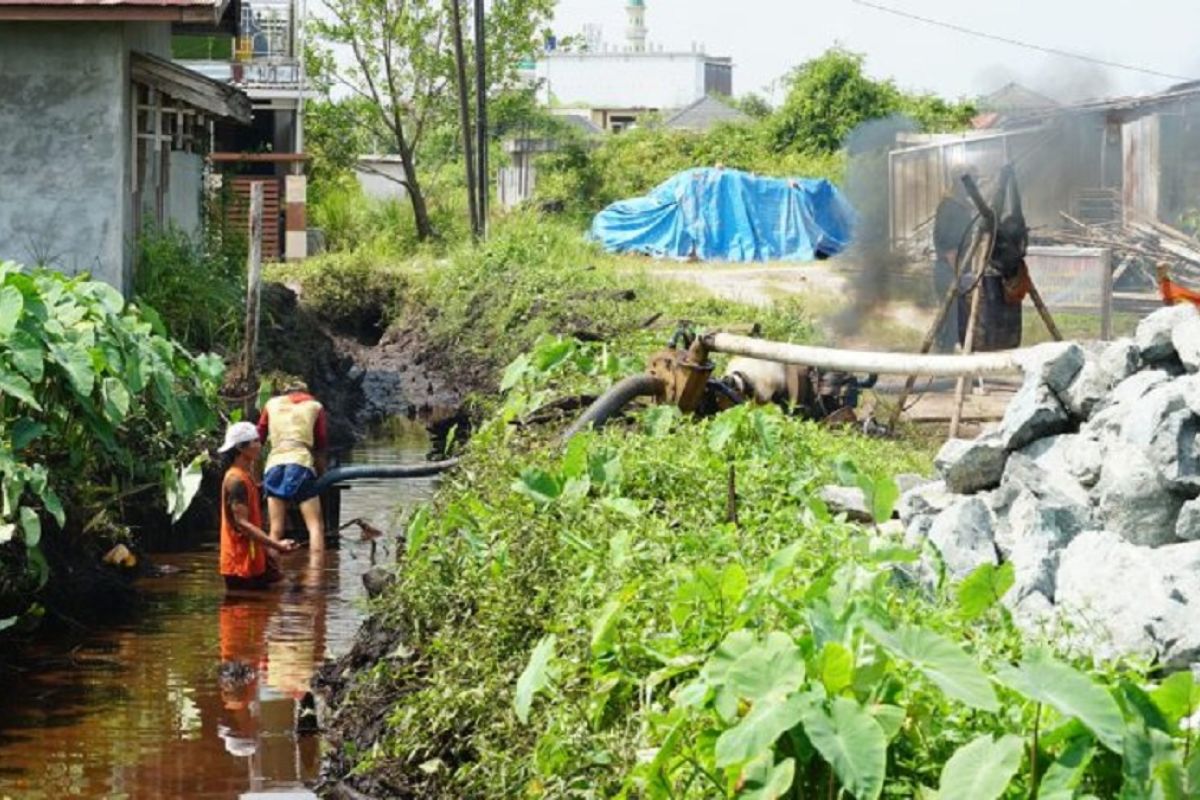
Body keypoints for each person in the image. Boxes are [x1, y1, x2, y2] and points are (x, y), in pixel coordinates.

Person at [219, 422, 299, 591]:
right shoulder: (236, 480)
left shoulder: (245, 476)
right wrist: (276, 545)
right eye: (254, 441)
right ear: (241, 448)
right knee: (244, 613)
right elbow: (242, 524)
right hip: (240, 563)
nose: (259, 445)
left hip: (253, 558)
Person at [257, 382, 329, 551]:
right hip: (300, 463)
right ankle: (316, 574)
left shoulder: (271, 404)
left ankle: (270, 567)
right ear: (306, 392)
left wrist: (256, 476)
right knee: (315, 527)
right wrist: (322, 474)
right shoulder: (315, 406)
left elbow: (258, 437)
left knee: (275, 530)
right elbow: (321, 444)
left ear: (285, 393)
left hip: (274, 465)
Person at [932, 171, 977, 352]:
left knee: (956, 320)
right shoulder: (950, 208)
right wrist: (958, 275)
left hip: (957, 271)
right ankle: (943, 361)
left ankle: (949, 359)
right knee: (950, 320)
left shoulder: (959, 207)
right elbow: (950, 249)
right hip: (949, 271)